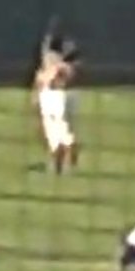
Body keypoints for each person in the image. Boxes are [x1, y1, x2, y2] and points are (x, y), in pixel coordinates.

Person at [33, 36, 81, 175]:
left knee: (54, 131)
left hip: (53, 95)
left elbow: (44, 80)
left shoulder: (53, 63)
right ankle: (63, 161)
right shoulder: (68, 64)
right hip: (68, 95)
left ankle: (60, 161)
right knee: (65, 128)